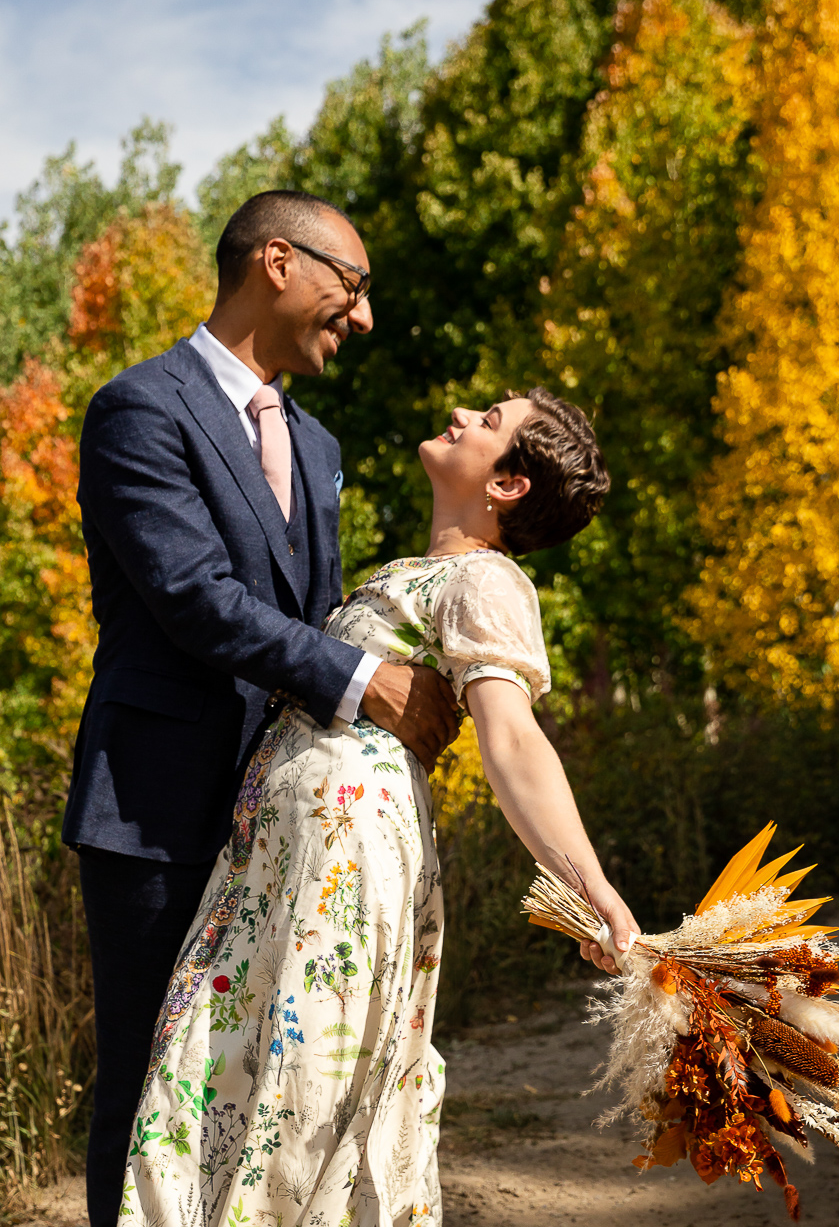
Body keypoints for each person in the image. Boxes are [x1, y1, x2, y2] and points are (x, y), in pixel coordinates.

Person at [121, 387, 639, 1226]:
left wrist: (588, 885)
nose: (465, 415)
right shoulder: (421, 572)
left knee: (303, 1087)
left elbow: (511, 741)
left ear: (508, 483)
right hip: (281, 859)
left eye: (491, 420)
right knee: (227, 1077)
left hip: (343, 861)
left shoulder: (486, 579)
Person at [62, 191, 461, 1227]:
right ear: (278, 261)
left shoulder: (319, 446)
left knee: (257, 1092)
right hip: (153, 813)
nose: (362, 317)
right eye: (354, 286)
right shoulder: (138, 408)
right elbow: (193, 595)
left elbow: (314, 612)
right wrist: (362, 680)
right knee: (151, 1087)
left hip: (287, 825)